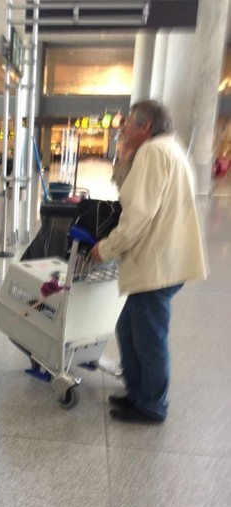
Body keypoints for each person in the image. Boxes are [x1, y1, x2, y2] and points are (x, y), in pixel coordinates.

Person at [90, 100, 207, 424]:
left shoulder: (154, 152)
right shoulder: (165, 148)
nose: (123, 127)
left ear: (145, 126)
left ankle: (152, 405)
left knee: (148, 337)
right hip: (161, 260)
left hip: (157, 264)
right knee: (129, 329)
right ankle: (138, 395)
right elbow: (130, 192)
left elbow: (138, 213)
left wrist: (107, 248)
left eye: (128, 122)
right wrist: (125, 158)